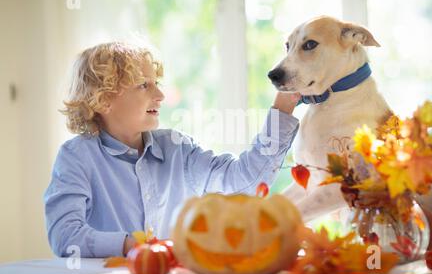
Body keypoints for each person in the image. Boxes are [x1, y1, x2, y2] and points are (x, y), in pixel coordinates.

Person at [44, 42, 301, 258]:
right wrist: (131, 246)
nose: (160, 95)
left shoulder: (178, 148)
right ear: (104, 99)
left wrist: (283, 108)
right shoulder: (76, 157)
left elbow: (247, 183)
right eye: (144, 85)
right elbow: (65, 235)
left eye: (156, 83)